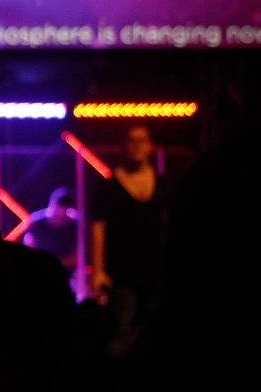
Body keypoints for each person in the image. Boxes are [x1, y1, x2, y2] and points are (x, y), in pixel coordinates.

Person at [91, 124, 169, 357]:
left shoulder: (163, 184)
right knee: (120, 333)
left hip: (155, 270)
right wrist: (98, 270)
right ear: (123, 146)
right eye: (131, 140)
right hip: (121, 272)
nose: (136, 146)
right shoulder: (109, 186)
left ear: (151, 146)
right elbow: (98, 228)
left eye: (141, 140)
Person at [24, 186, 80, 273]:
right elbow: (29, 244)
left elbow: (77, 255)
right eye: (55, 212)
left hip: (66, 271)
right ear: (51, 205)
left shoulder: (75, 224)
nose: (58, 217)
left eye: (62, 215)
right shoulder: (36, 222)